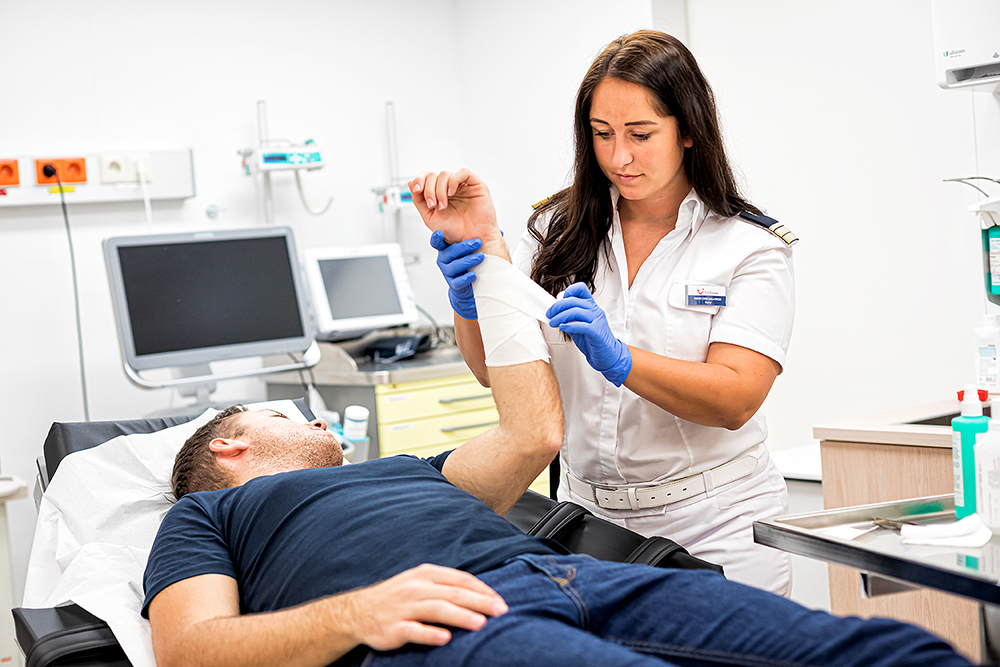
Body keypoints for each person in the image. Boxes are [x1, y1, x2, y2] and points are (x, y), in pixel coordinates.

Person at [139, 169, 972, 667]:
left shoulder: (406, 473)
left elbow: (533, 433)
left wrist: (487, 259)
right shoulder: (209, 515)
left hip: (588, 579)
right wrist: (356, 613)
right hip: (444, 621)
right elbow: (189, 649)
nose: (310, 418)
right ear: (231, 444)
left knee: (886, 650)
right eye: (282, 410)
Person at [431, 29, 796, 594]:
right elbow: (492, 371)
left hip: (714, 520)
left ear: (690, 131)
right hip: (586, 520)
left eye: (641, 134)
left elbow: (735, 398)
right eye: (602, 134)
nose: (619, 156)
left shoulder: (746, 247)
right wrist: (471, 303)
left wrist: (624, 361)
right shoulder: (561, 232)